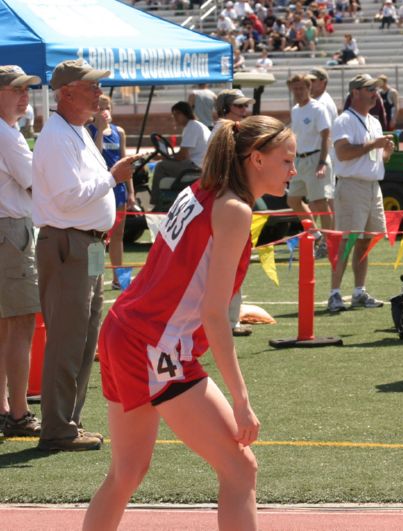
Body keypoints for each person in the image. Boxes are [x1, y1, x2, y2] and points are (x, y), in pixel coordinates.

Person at [82, 114, 292, 531]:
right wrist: (241, 399)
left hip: (125, 328)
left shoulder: (200, 191)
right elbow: (215, 315)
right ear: (257, 159)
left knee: (126, 473)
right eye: (287, 160)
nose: (293, 169)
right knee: (240, 469)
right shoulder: (233, 210)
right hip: (154, 343)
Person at [32, 59, 137, 451]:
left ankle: (66, 422)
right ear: (67, 92)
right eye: (90, 85)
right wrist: (114, 177)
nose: (98, 92)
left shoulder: (73, 131)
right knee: (68, 338)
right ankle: (58, 426)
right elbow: (68, 197)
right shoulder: (59, 136)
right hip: (70, 244)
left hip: (87, 244)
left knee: (84, 336)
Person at [327, 74, 394, 313]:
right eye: (370, 89)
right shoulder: (344, 120)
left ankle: (358, 291)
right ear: (355, 92)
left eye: (375, 89)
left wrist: (386, 152)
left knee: (366, 242)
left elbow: (375, 158)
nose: (375, 93)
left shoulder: (374, 121)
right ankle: (334, 293)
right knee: (347, 240)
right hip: (352, 185)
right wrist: (374, 145)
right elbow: (343, 153)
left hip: (372, 186)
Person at [0, 65, 42, 438]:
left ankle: (7, 410)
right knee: (21, 322)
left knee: (6, 325)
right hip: (11, 232)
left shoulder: (9, 132)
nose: (24, 95)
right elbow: (34, 182)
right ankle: (18, 413)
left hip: (8, 230)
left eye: (26, 89)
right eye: (16, 89)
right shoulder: (7, 136)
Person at [210, 89, 256, 337]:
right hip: (228, 203)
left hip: (229, 201)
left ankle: (228, 319)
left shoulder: (225, 130)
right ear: (227, 108)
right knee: (230, 264)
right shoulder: (225, 132)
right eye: (239, 106)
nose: (244, 110)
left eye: (245, 106)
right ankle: (227, 321)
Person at [87, 95, 135, 290]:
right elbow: (95, 157)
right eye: (100, 108)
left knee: (118, 234)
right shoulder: (88, 130)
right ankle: (95, 277)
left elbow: (125, 162)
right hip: (100, 187)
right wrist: (99, 130)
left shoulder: (119, 131)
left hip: (119, 189)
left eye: (107, 107)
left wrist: (131, 192)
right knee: (97, 236)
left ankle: (119, 278)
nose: (104, 111)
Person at [286, 74, 334, 257]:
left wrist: (321, 163)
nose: (298, 92)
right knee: (293, 199)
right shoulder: (295, 110)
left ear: (308, 88)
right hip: (299, 159)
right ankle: (315, 233)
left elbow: (325, 137)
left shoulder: (318, 109)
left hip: (315, 159)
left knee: (320, 202)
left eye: (301, 88)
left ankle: (328, 242)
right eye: (295, 88)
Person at [151, 101, 211, 207]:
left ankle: (156, 203)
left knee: (161, 166)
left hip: (196, 167)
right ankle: (168, 202)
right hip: (199, 165)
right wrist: (168, 157)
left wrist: (163, 157)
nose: (175, 118)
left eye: (176, 115)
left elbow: (183, 155)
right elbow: (183, 154)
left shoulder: (191, 127)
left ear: (183, 113)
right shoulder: (196, 125)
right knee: (166, 164)